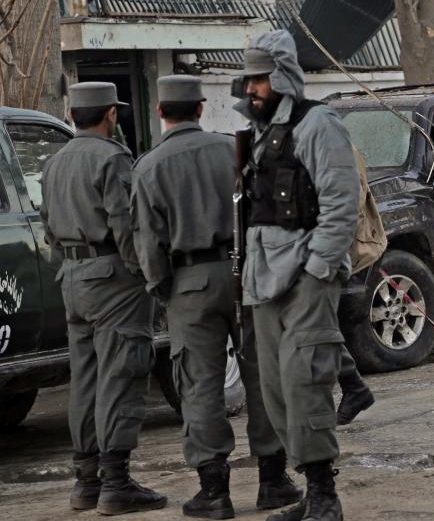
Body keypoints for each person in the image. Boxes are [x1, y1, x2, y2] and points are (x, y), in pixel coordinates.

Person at [130, 75, 301, 519]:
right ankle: (274, 479)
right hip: (245, 272)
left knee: (199, 382)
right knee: (262, 374)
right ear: (201, 109)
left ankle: (214, 490)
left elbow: (148, 241)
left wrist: (162, 286)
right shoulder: (234, 149)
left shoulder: (149, 166)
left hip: (189, 280)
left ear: (160, 112)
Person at [235, 30, 361, 521]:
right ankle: (310, 490)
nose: (252, 89)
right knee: (275, 391)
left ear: (284, 76)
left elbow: (341, 205)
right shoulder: (261, 135)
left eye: (261, 79)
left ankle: (326, 496)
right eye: (249, 79)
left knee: (304, 380)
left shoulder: (318, 124)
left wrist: (317, 270)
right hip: (263, 280)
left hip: (306, 276)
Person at [40, 82, 167, 515]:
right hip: (114, 279)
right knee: (122, 373)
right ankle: (116, 483)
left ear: (74, 114)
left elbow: (49, 227)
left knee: (87, 380)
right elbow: (126, 226)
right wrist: (145, 274)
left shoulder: (55, 162)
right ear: (111, 114)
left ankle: (86, 482)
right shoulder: (112, 158)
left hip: (73, 277)